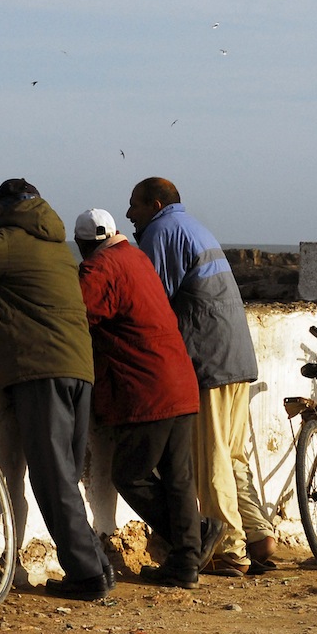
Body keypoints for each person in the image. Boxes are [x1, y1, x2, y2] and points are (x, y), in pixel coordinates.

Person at [0, 179, 111, 601]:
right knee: (65, 476)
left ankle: (87, 577)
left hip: (40, 368)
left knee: (53, 481)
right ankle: (98, 567)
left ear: (8, 207)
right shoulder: (56, 245)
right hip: (78, 368)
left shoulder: (13, 240)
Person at [73, 208, 222, 589]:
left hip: (146, 388)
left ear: (84, 244)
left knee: (131, 474)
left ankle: (196, 537)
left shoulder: (99, 268)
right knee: (178, 478)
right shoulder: (137, 258)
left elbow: (78, 315)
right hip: (179, 380)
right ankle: (187, 559)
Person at [126, 177, 267, 576]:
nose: (128, 214)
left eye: (133, 205)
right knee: (233, 453)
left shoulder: (160, 231)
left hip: (208, 360)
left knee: (212, 459)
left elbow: (152, 300)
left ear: (154, 205)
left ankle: (230, 549)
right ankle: (258, 535)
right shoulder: (193, 227)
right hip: (236, 357)